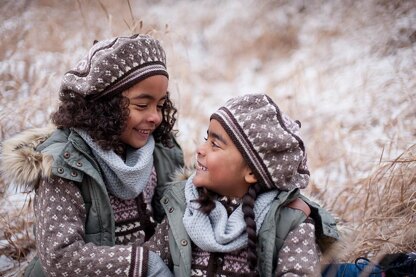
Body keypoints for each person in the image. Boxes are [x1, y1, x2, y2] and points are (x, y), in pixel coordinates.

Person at [1, 34, 184, 276]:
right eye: (142, 105)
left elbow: (170, 223)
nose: (156, 117)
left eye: (160, 105)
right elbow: (60, 256)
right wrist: (143, 263)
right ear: (105, 106)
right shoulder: (64, 165)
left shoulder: (161, 151)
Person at [141, 93, 340, 276]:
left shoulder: (291, 223)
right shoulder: (187, 207)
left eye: (215, 144)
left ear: (252, 172)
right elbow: (146, 260)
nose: (200, 150)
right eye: (205, 138)